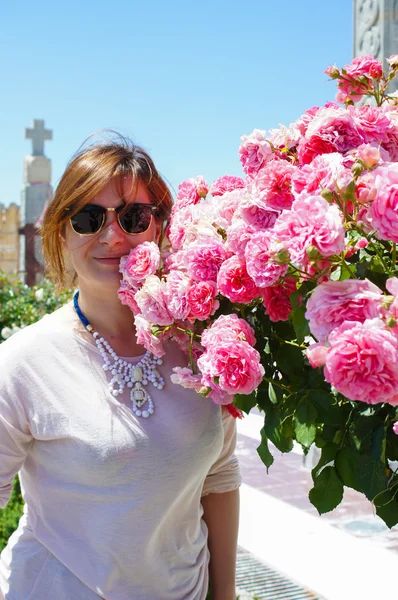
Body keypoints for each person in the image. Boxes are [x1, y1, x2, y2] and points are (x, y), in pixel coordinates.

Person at [0, 137, 241, 600]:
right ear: (60, 233)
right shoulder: (24, 362)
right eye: (89, 218)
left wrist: (224, 592)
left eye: (133, 218)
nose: (113, 237)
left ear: (159, 229)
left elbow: (220, 476)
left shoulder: (203, 346)